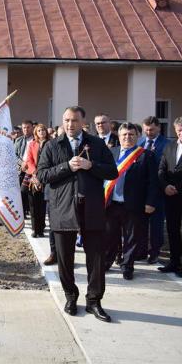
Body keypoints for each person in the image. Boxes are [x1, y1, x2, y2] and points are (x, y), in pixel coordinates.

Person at [37, 106, 118, 322]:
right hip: (63, 208)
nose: (70, 124)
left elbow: (112, 171)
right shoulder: (52, 145)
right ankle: (71, 296)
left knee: (96, 258)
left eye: (74, 120)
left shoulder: (97, 144)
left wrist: (91, 165)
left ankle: (94, 301)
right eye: (66, 120)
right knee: (65, 257)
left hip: (91, 207)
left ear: (83, 122)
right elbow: (42, 174)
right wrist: (67, 167)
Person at [104, 122, 158, 280]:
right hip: (112, 203)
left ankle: (127, 266)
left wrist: (150, 202)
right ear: (119, 136)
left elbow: (153, 182)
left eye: (131, 134)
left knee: (131, 238)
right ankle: (106, 261)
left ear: (137, 136)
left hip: (134, 204)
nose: (127, 137)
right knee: (109, 235)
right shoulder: (111, 153)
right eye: (124, 135)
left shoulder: (146, 155)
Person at [157, 116, 182, 278]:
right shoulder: (169, 146)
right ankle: (174, 261)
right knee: (172, 229)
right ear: (175, 130)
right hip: (170, 196)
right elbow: (162, 169)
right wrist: (165, 186)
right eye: (179, 130)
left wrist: (177, 187)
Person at [138, 116, 170, 263]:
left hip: (158, 190)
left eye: (151, 129)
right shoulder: (140, 143)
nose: (148, 133)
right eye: (146, 130)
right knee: (141, 223)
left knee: (156, 223)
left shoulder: (167, 144)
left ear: (158, 128)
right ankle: (142, 250)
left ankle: (155, 251)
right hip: (141, 191)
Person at [25, 124, 49, 239]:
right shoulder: (32, 144)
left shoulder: (51, 144)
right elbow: (29, 160)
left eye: (43, 130)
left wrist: (42, 175)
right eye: (39, 130)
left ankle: (41, 228)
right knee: (33, 205)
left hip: (45, 177)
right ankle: (35, 229)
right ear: (36, 133)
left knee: (42, 205)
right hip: (33, 177)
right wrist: (34, 172)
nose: (42, 132)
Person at [15, 120, 34, 217]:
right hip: (21, 169)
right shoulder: (19, 140)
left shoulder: (36, 140)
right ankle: (23, 212)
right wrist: (21, 163)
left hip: (33, 170)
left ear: (32, 127)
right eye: (24, 128)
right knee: (21, 192)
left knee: (30, 192)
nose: (26, 129)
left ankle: (30, 210)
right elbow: (15, 155)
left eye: (28, 127)